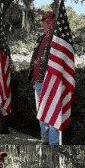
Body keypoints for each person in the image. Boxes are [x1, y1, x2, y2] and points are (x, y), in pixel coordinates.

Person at [30, 11, 61, 146]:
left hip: (51, 81)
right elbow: (34, 57)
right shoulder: (40, 39)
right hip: (38, 81)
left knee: (52, 112)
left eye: (50, 21)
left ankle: (54, 141)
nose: (47, 24)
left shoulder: (58, 40)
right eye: (44, 22)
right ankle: (45, 139)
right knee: (41, 113)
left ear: (54, 23)